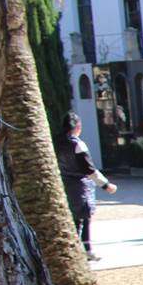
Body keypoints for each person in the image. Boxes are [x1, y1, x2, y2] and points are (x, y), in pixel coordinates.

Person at [56, 111, 116, 260]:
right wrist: (105, 184)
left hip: (63, 182)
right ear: (77, 126)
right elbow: (89, 169)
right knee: (84, 217)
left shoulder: (56, 142)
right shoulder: (78, 144)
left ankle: (75, 250)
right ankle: (86, 249)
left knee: (74, 218)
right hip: (80, 185)